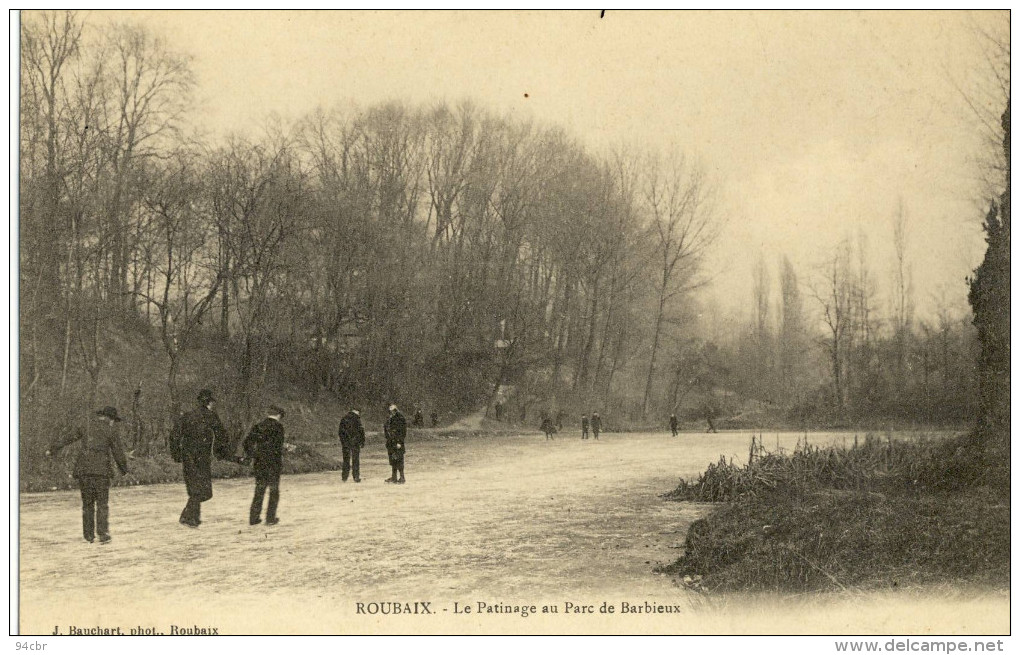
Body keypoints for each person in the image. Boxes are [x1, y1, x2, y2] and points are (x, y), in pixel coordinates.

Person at [47, 406, 129, 544]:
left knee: (87, 504)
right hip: (101, 471)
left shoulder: (87, 426)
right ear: (110, 419)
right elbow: (117, 451)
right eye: (114, 420)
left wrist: (52, 448)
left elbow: (68, 438)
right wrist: (124, 470)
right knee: (102, 503)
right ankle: (103, 533)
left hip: (84, 470)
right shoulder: (110, 430)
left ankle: (88, 535)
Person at [169, 388, 233, 528]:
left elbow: (174, 435)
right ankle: (190, 518)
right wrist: (221, 453)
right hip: (202, 456)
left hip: (187, 455)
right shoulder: (211, 416)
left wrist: (176, 454)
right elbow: (222, 436)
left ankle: (190, 516)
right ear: (209, 403)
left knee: (195, 488)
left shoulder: (187, 416)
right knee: (204, 491)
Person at [243, 405, 286, 526]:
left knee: (259, 489)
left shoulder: (258, 426)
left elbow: (246, 442)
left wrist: (254, 454)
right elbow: (278, 446)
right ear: (279, 415)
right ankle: (270, 518)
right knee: (273, 491)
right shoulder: (278, 427)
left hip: (260, 462)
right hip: (273, 463)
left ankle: (254, 518)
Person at [338, 407, 365, 483]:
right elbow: (361, 432)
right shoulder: (357, 420)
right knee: (355, 460)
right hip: (355, 443)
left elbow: (341, 432)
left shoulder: (344, 419)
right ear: (357, 412)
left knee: (346, 460)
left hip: (346, 443)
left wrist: (343, 441)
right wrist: (362, 442)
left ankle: (344, 477)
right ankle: (356, 477)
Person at [384, 404, 407, 484]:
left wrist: (399, 442)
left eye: (393, 411)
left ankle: (402, 477)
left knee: (399, 460)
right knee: (393, 460)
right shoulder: (390, 418)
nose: (391, 412)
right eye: (390, 411)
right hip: (391, 442)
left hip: (397, 442)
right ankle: (394, 477)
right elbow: (387, 429)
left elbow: (402, 432)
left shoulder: (400, 419)